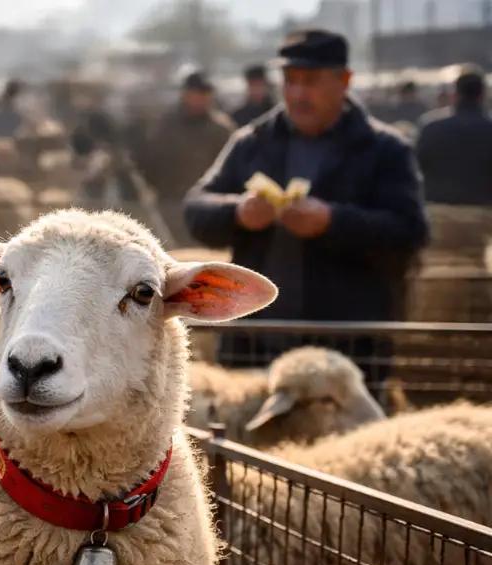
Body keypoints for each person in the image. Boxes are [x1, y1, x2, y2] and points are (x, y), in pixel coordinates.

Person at [184, 29, 428, 378]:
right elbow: (196, 207)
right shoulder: (252, 142)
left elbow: (411, 232)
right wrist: (237, 212)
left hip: (347, 350)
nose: (298, 94)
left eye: (311, 81)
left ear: (344, 81)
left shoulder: (384, 150)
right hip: (256, 342)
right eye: (290, 80)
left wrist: (333, 221)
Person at [136, 71, 234, 247]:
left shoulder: (221, 129)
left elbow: (232, 169)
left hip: (207, 208)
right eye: (195, 94)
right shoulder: (166, 124)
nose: (199, 100)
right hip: (170, 203)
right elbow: (150, 159)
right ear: (185, 95)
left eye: (204, 95)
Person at [416, 65, 492, 205]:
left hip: (440, 213)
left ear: (455, 94)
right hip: (485, 215)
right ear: (483, 94)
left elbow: (417, 167)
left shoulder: (431, 127)